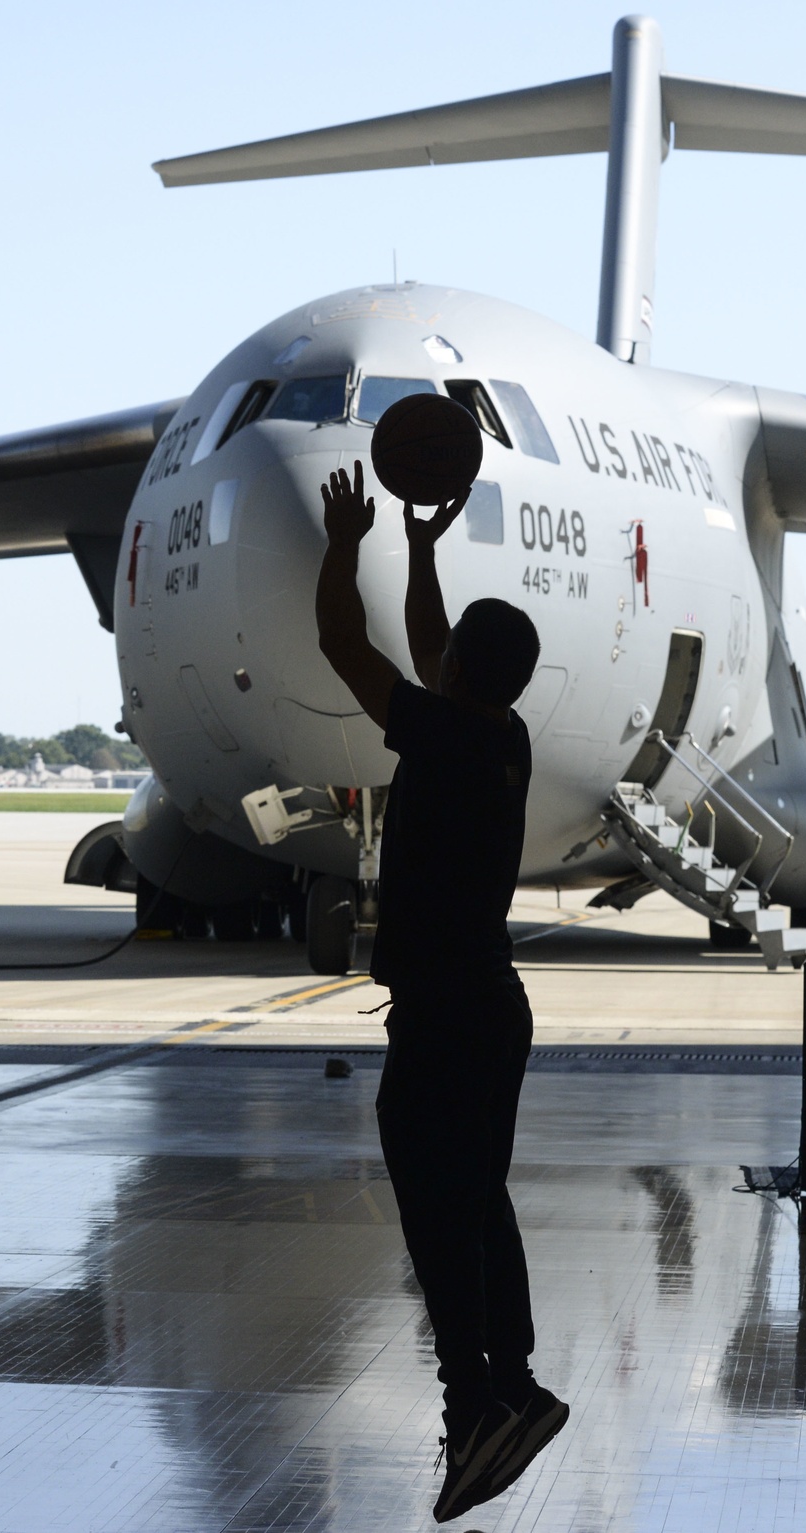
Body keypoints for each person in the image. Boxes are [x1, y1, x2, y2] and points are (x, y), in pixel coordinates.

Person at [316, 462, 569, 1524]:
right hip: (486, 1004)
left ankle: (475, 1405)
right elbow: (423, 651)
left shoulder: (457, 733)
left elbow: (347, 646)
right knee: (474, 1198)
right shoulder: (496, 733)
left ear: (468, 667)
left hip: (450, 1010)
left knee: (435, 1205)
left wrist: (345, 543)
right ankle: (511, 1388)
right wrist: (419, 550)